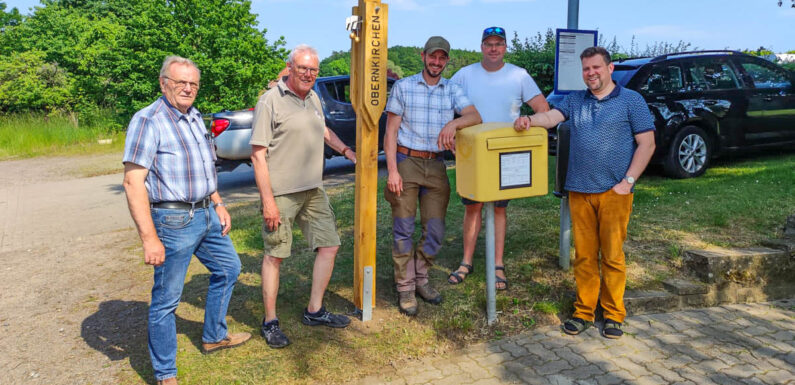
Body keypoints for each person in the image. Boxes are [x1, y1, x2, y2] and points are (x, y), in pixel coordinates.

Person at [122, 56, 249, 385]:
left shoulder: (194, 117)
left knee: (229, 268)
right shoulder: (148, 120)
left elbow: (206, 166)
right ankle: (166, 374)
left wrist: (218, 202)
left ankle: (214, 336)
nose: (188, 89)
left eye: (193, 83)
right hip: (173, 220)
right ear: (164, 83)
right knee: (167, 299)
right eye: (180, 83)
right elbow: (133, 182)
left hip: (207, 212)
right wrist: (150, 238)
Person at [513, 47, 655, 339]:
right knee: (585, 257)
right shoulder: (575, 100)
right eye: (586, 69)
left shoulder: (632, 101)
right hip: (579, 190)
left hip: (614, 191)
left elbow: (647, 143)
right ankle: (584, 312)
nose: (591, 73)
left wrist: (627, 181)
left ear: (610, 68)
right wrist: (530, 120)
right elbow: (551, 117)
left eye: (596, 68)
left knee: (613, 257)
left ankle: (614, 315)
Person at [250, 44, 357, 348]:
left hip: (313, 189)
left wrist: (347, 150)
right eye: (303, 68)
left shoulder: (313, 98)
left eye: (313, 69)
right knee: (276, 256)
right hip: (281, 194)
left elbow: (323, 131)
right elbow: (258, 155)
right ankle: (270, 322)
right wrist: (268, 201)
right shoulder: (270, 101)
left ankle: (315, 310)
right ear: (290, 67)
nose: (308, 74)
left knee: (330, 245)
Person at [384, 36, 482, 316]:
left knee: (435, 230)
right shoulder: (403, 87)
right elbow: (390, 133)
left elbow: (475, 116)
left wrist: (454, 122)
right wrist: (392, 170)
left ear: (447, 61)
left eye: (442, 58)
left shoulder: (452, 89)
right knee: (403, 228)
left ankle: (421, 278)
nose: (436, 62)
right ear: (423, 55)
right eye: (432, 56)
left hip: (436, 165)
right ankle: (405, 288)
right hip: (406, 161)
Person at [449, 26, 550, 290]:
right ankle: (466, 261)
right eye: (488, 43)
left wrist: (527, 121)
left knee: (500, 208)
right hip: (472, 153)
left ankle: (498, 264)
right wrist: (452, 130)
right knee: (472, 207)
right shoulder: (464, 75)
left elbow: (542, 108)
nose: (493, 48)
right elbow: (446, 107)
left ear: (505, 47)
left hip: (505, 151)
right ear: (481, 46)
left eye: (499, 44)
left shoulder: (519, 75)